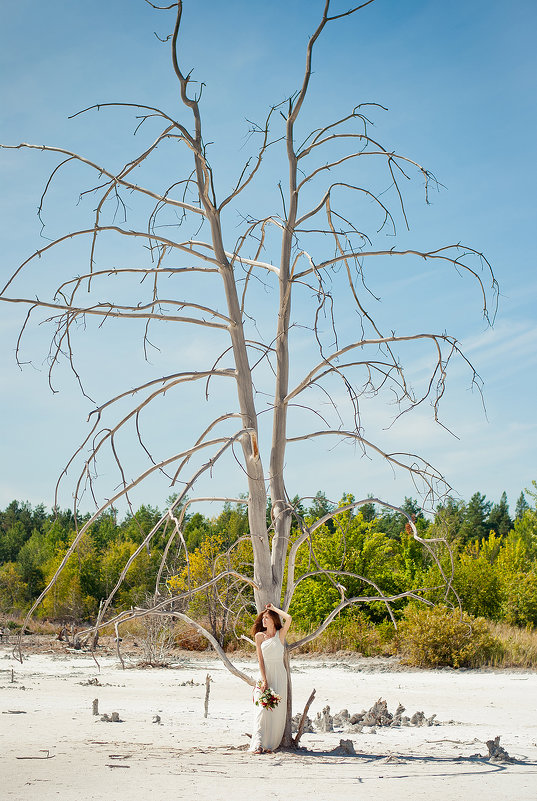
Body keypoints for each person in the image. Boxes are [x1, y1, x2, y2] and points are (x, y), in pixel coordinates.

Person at [249, 602, 292, 754]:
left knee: (275, 711)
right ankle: (257, 743)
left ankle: (269, 745)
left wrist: (273, 609)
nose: (264, 621)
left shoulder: (280, 634)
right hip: (264, 674)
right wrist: (264, 679)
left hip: (279, 675)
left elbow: (289, 618)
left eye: (266, 618)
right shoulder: (259, 636)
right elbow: (260, 660)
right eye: (263, 619)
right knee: (261, 708)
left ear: (273, 619)